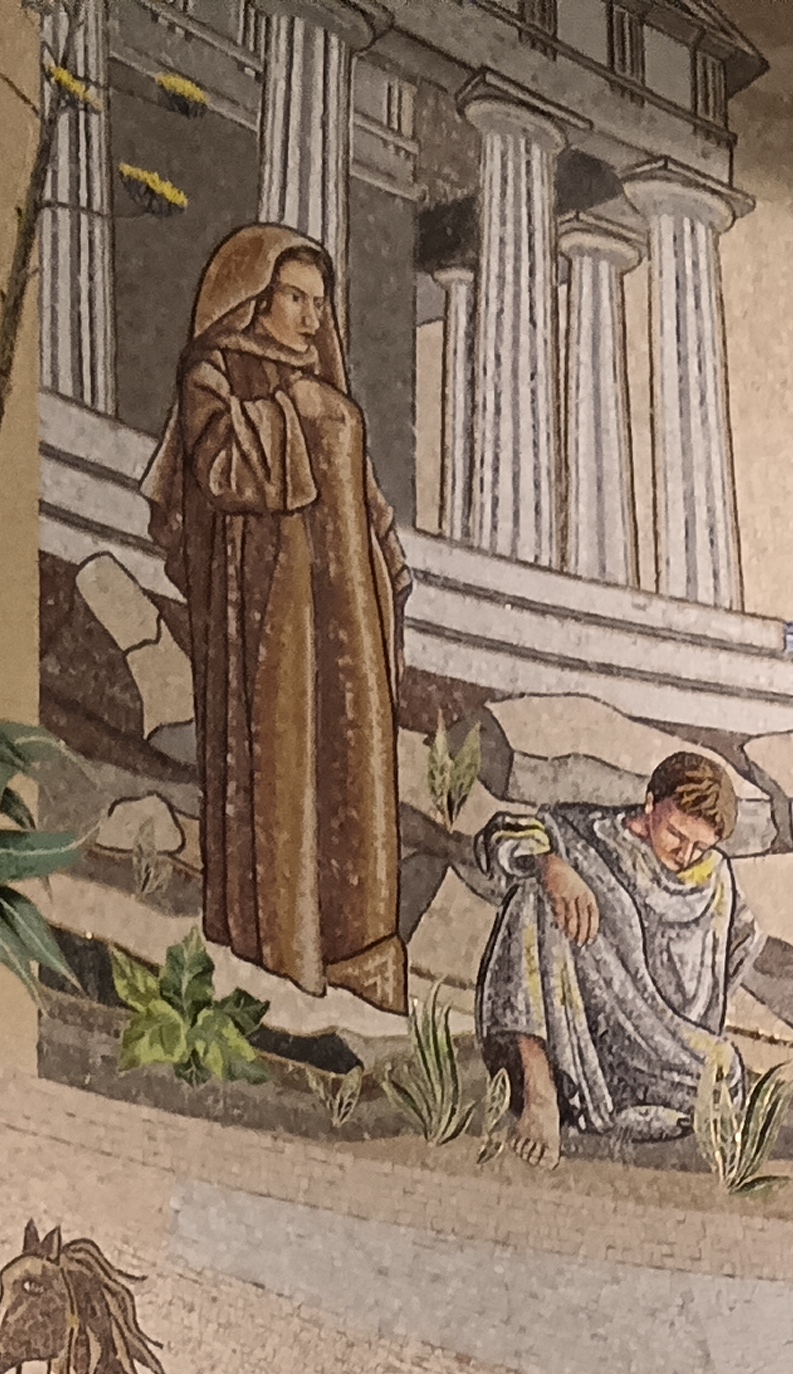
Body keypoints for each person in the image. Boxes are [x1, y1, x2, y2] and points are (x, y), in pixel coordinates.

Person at [152, 222, 409, 1008]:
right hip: (270, 598)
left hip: (346, 611)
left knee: (350, 759)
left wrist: (385, 557)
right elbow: (217, 469)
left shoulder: (325, 380)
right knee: (283, 753)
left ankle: (354, 951)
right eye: (294, 298)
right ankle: (279, 943)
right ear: (257, 296)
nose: (308, 317)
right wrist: (288, 417)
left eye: (318, 304)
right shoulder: (218, 369)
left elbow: (361, 491)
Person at [473, 750, 760, 1156]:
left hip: (668, 1044)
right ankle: (540, 1092)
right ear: (650, 804)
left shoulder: (712, 874)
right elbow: (498, 837)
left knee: (723, 1073)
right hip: (580, 1029)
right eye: (677, 834)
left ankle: (622, 1102)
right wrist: (551, 864)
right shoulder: (587, 836)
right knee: (533, 896)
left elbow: (743, 941)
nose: (685, 855)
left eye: (700, 846)